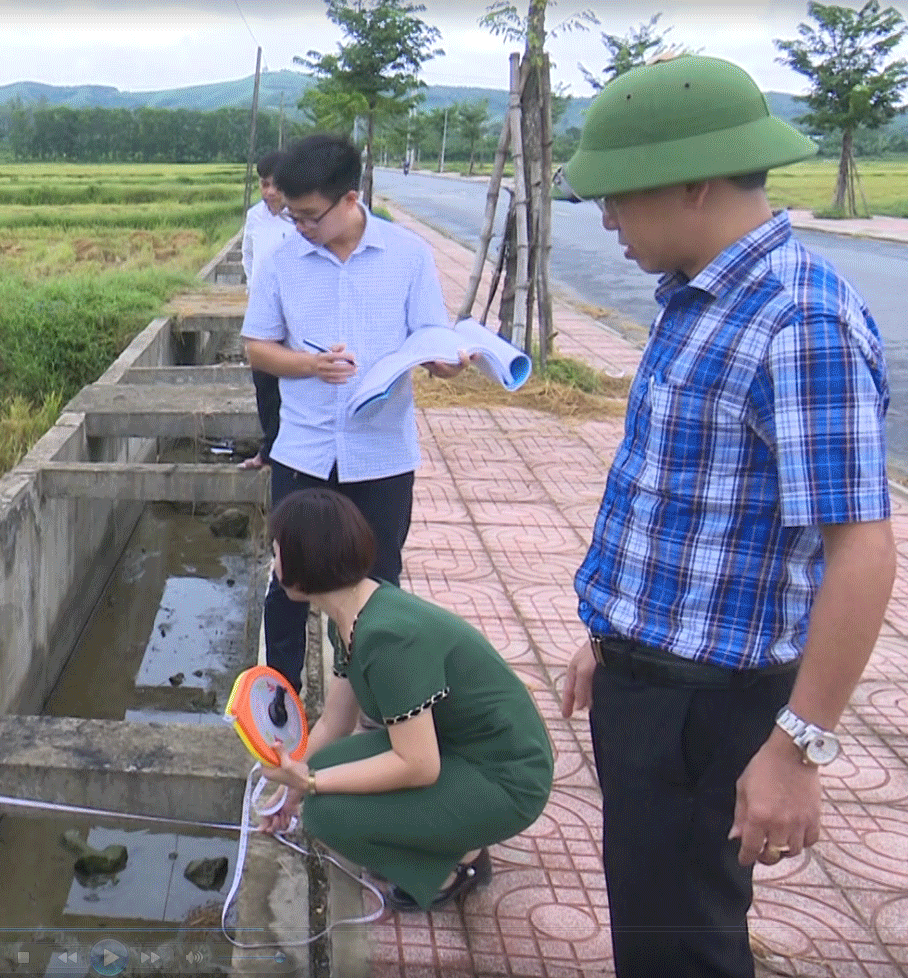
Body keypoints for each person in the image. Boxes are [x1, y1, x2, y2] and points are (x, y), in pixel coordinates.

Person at [560, 54, 894, 978]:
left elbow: (861, 549)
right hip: (648, 679)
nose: (608, 221)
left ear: (695, 186)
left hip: (708, 706)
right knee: (652, 915)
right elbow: (685, 500)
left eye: (619, 197)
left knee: (685, 943)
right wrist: (612, 635)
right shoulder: (696, 297)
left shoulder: (799, 320)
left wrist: (799, 746)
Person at [241, 133, 469, 717]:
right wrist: (308, 365)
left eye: (311, 216)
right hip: (305, 450)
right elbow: (257, 347)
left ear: (349, 198)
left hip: (382, 455)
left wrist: (445, 363)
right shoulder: (281, 262)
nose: (300, 227)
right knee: (287, 581)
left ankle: (378, 703)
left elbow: (430, 341)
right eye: (292, 215)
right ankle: (279, 704)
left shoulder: (408, 256)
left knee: (379, 583)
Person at [257, 488, 553, 910]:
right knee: (321, 769)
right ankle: (437, 834)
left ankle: (456, 864)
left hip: (507, 776)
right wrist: (294, 786)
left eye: (277, 552)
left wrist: (311, 785)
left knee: (326, 815)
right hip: (460, 749)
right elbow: (334, 724)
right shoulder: (351, 616)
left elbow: (418, 764)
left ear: (307, 567)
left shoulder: (387, 639)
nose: (273, 564)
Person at [239, 150, 295, 471]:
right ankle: (268, 450)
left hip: (295, 314)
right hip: (263, 314)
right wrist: (254, 290)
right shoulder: (254, 217)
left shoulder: (300, 218)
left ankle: (290, 452)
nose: (269, 192)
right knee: (264, 385)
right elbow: (249, 255)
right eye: (264, 184)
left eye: (275, 185)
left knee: (293, 385)